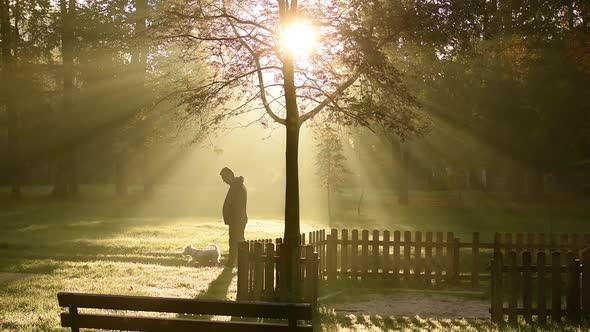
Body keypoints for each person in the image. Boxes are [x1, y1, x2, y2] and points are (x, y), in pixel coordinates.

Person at [219, 167, 248, 267]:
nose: (223, 180)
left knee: (235, 242)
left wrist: (232, 219)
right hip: (236, 220)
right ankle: (238, 262)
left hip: (237, 220)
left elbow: (237, 205)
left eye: (224, 177)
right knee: (237, 241)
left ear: (229, 175)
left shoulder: (237, 187)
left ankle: (233, 263)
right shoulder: (235, 186)